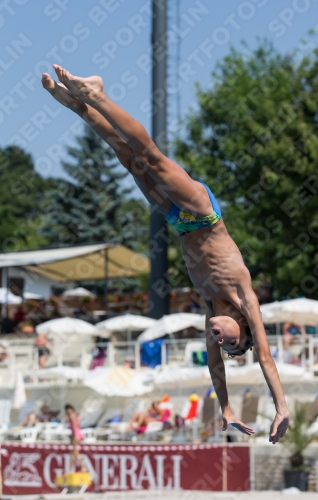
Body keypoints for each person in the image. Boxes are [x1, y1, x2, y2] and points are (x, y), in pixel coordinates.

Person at [41, 65, 290, 444]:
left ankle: (81, 107)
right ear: (243, 326)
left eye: (223, 346)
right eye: (231, 342)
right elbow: (266, 360)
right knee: (151, 157)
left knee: (129, 160)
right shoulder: (245, 298)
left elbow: (214, 368)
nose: (220, 341)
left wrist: (224, 408)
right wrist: (281, 406)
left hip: (178, 221)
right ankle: (96, 94)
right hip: (204, 214)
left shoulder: (210, 307)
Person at [64, 404, 86, 472]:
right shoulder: (75, 414)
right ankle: (71, 469)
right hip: (77, 434)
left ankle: (83, 467)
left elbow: (74, 426)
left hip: (75, 435)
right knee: (72, 453)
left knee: (75, 452)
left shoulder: (72, 415)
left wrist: (75, 436)